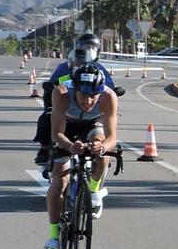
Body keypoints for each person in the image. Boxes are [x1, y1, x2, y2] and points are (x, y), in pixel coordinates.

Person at [43, 64, 120, 249]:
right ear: (74, 89)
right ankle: (53, 239)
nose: (88, 101)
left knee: (103, 151)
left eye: (93, 95)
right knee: (60, 179)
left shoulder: (108, 96)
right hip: (65, 127)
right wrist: (70, 146)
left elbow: (112, 137)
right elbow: (57, 134)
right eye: (83, 96)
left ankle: (93, 190)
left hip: (92, 125)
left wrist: (102, 147)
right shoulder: (61, 93)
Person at [33, 35, 121, 177]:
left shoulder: (99, 70)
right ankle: (44, 149)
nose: (89, 50)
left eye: (92, 47)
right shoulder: (64, 68)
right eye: (85, 46)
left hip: (91, 118)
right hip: (66, 111)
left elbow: (108, 87)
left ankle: (93, 187)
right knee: (45, 119)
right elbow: (52, 87)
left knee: (100, 139)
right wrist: (51, 105)